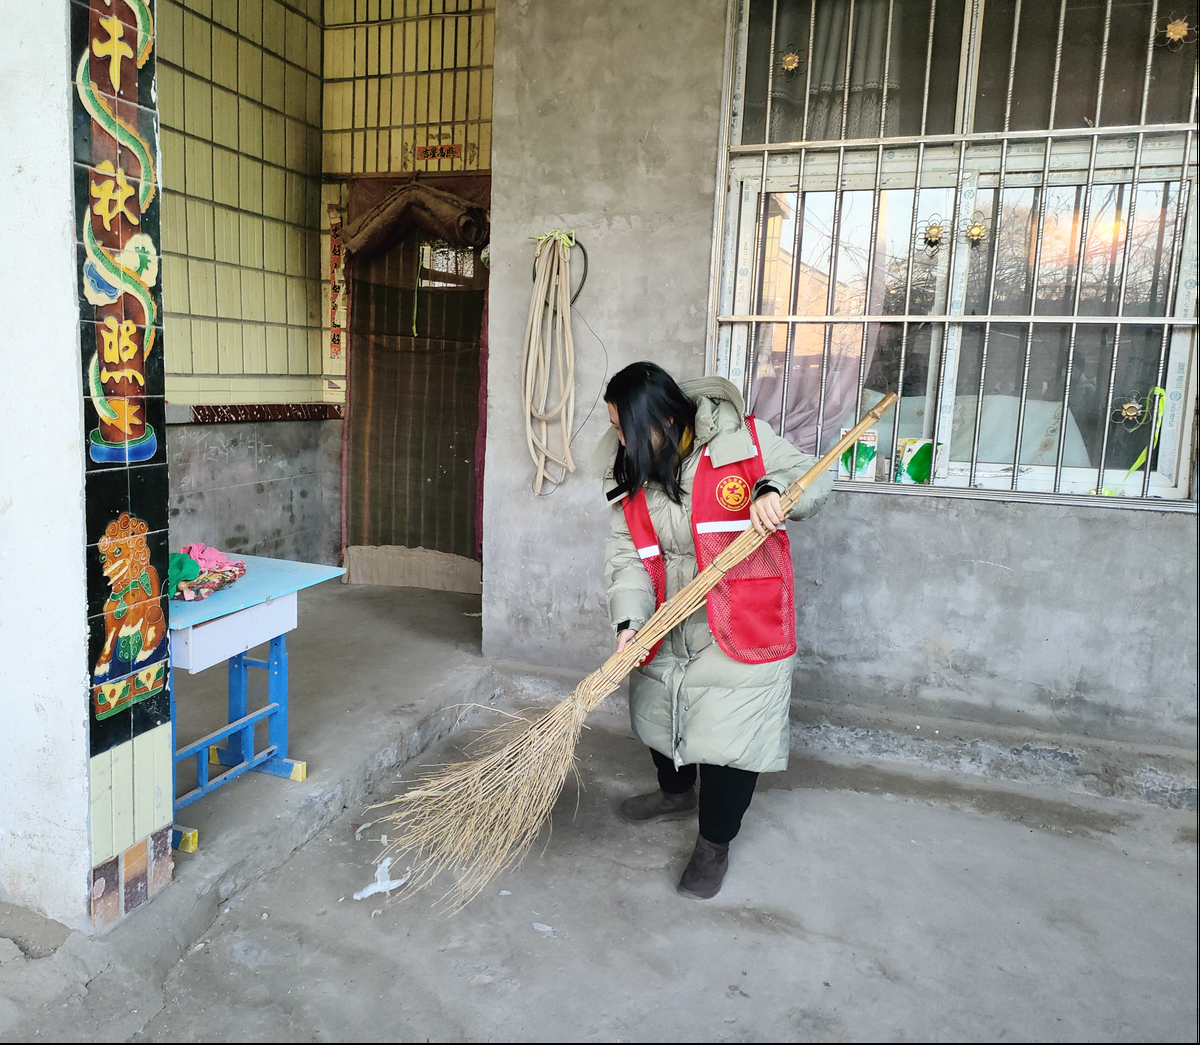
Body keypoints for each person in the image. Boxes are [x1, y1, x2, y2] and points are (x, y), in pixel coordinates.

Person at [599, 362, 831, 899]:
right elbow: (627, 554)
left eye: (622, 427)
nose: (617, 440)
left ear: (658, 417)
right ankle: (675, 792)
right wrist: (631, 621)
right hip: (668, 615)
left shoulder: (743, 440)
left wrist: (774, 490)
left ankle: (714, 845)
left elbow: (810, 476)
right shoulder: (630, 469)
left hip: (741, 620)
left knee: (730, 739)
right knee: (660, 710)